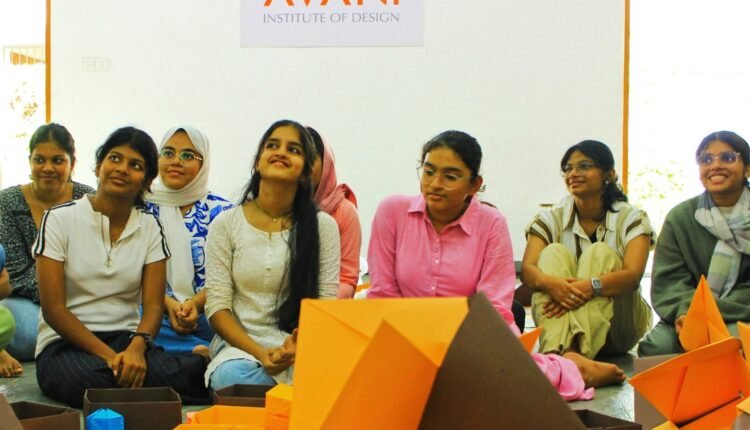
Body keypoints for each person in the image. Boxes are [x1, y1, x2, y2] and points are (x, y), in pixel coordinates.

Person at [367, 131, 624, 401]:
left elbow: (494, 307)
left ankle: (573, 370)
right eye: (429, 171)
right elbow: (383, 293)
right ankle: (561, 366)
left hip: (472, 336)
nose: (435, 184)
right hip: (406, 333)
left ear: (474, 184)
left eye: (450, 177)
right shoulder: (392, 212)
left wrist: (451, 348)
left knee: (492, 385)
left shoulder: (491, 223)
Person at [33, 127, 209, 408]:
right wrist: (111, 358)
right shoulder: (59, 219)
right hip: (65, 343)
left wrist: (136, 349)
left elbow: (153, 306)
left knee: (199, 378)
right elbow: (53, 309)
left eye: (135, 165)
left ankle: (174, 371)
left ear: (147, 181)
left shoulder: (149, 226)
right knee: (82, 380)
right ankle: (154, 385)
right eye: (114, 158)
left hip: (127, 339)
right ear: (98, 165)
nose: (122, 169)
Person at [204, 120, 340, 390]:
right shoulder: (226, 223)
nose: (281, 153)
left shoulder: (323, 226)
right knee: (230, 378)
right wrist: (260, 353)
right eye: (273, 145)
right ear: (258, 161)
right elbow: (217, 307)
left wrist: (297, 347)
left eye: (293, 149)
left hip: (299, 348)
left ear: (307, 171)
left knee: (339, 372)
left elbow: (325, 304)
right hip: (240, 349)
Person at [521, 140, 653, 360]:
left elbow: (632, 276)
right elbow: (527, 269)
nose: (573, 173)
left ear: (609, 174)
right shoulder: (550, 218)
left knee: (599, 253)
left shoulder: (632, 218)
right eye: (568, 168)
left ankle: (567, 356)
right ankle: (570, 357)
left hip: (618, 329)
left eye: (584, 166)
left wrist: (590, 286)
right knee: (553, 253)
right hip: (558, 323)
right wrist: (551, 284)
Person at [639, 131, 750, 356]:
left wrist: (710, 313)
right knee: (657, 349)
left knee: (728, 345)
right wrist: (685, 313)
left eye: (727, 158)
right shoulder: (680, 217)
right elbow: (669, 281)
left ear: (747, 168)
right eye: (706, 160)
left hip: (743, 314)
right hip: (687, 313)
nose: (715, 166)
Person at [0, 123, 95, 376]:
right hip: (27, 300)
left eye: (58, 160)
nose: (48, 168)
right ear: (30, 161)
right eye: (40, 160)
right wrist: (57, 303)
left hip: (83, 297)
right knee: (23, 332)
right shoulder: (7, 202)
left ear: (72, 163)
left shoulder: (88, 200)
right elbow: (16, 271)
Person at [145, 126, 233, 354]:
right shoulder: (141, 208)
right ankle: (200, 351)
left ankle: (184, 349)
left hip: (208, 312)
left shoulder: (224, 212)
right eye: (168, 153)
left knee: (231, 319)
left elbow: (230, 275)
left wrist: (194, 304)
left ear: (204, 164)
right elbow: (132, 271)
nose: (176, 161)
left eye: (187, 155)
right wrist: (169, 305)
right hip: (155, 309)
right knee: (129, 316)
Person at [307, 127, 362, 298]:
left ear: (325, 164)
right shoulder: (277, 207)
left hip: (324, 306)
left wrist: (313, 310)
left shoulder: (343, 211)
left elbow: (346, 279)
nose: (303, 165)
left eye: (310, 158)